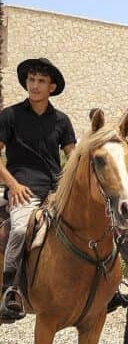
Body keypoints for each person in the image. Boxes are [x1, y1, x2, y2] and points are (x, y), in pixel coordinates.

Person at [0, 58, 77, 321]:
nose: (34, 85)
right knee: (21, 229)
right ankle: (9, 289)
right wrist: (13, 185)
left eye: (41, 81)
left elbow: (73, 157)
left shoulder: (62, 121)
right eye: (31, 79)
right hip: (24, 190)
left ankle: (104, 288)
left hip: (55, 191)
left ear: (51, 87)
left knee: (89, 222)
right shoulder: (10, 116)